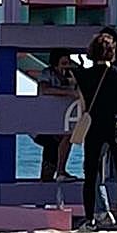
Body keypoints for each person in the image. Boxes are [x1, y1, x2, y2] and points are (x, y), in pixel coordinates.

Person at [72, 32, 117, 233]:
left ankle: (90, 219)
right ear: (112, 53)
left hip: (95, 126)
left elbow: (83, 106)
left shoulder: (83, 76)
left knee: (90, 174)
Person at [33, 49, 78, 182]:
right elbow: (44, 89)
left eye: (68, 62)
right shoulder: (47, 73)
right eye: (63, 63)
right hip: (46, 122)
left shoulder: (70, 75)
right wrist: (68, 92)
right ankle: (56, 173)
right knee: (51, 150)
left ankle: (60, 171)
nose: (66, 66)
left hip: (62, 121)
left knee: (64, 139)